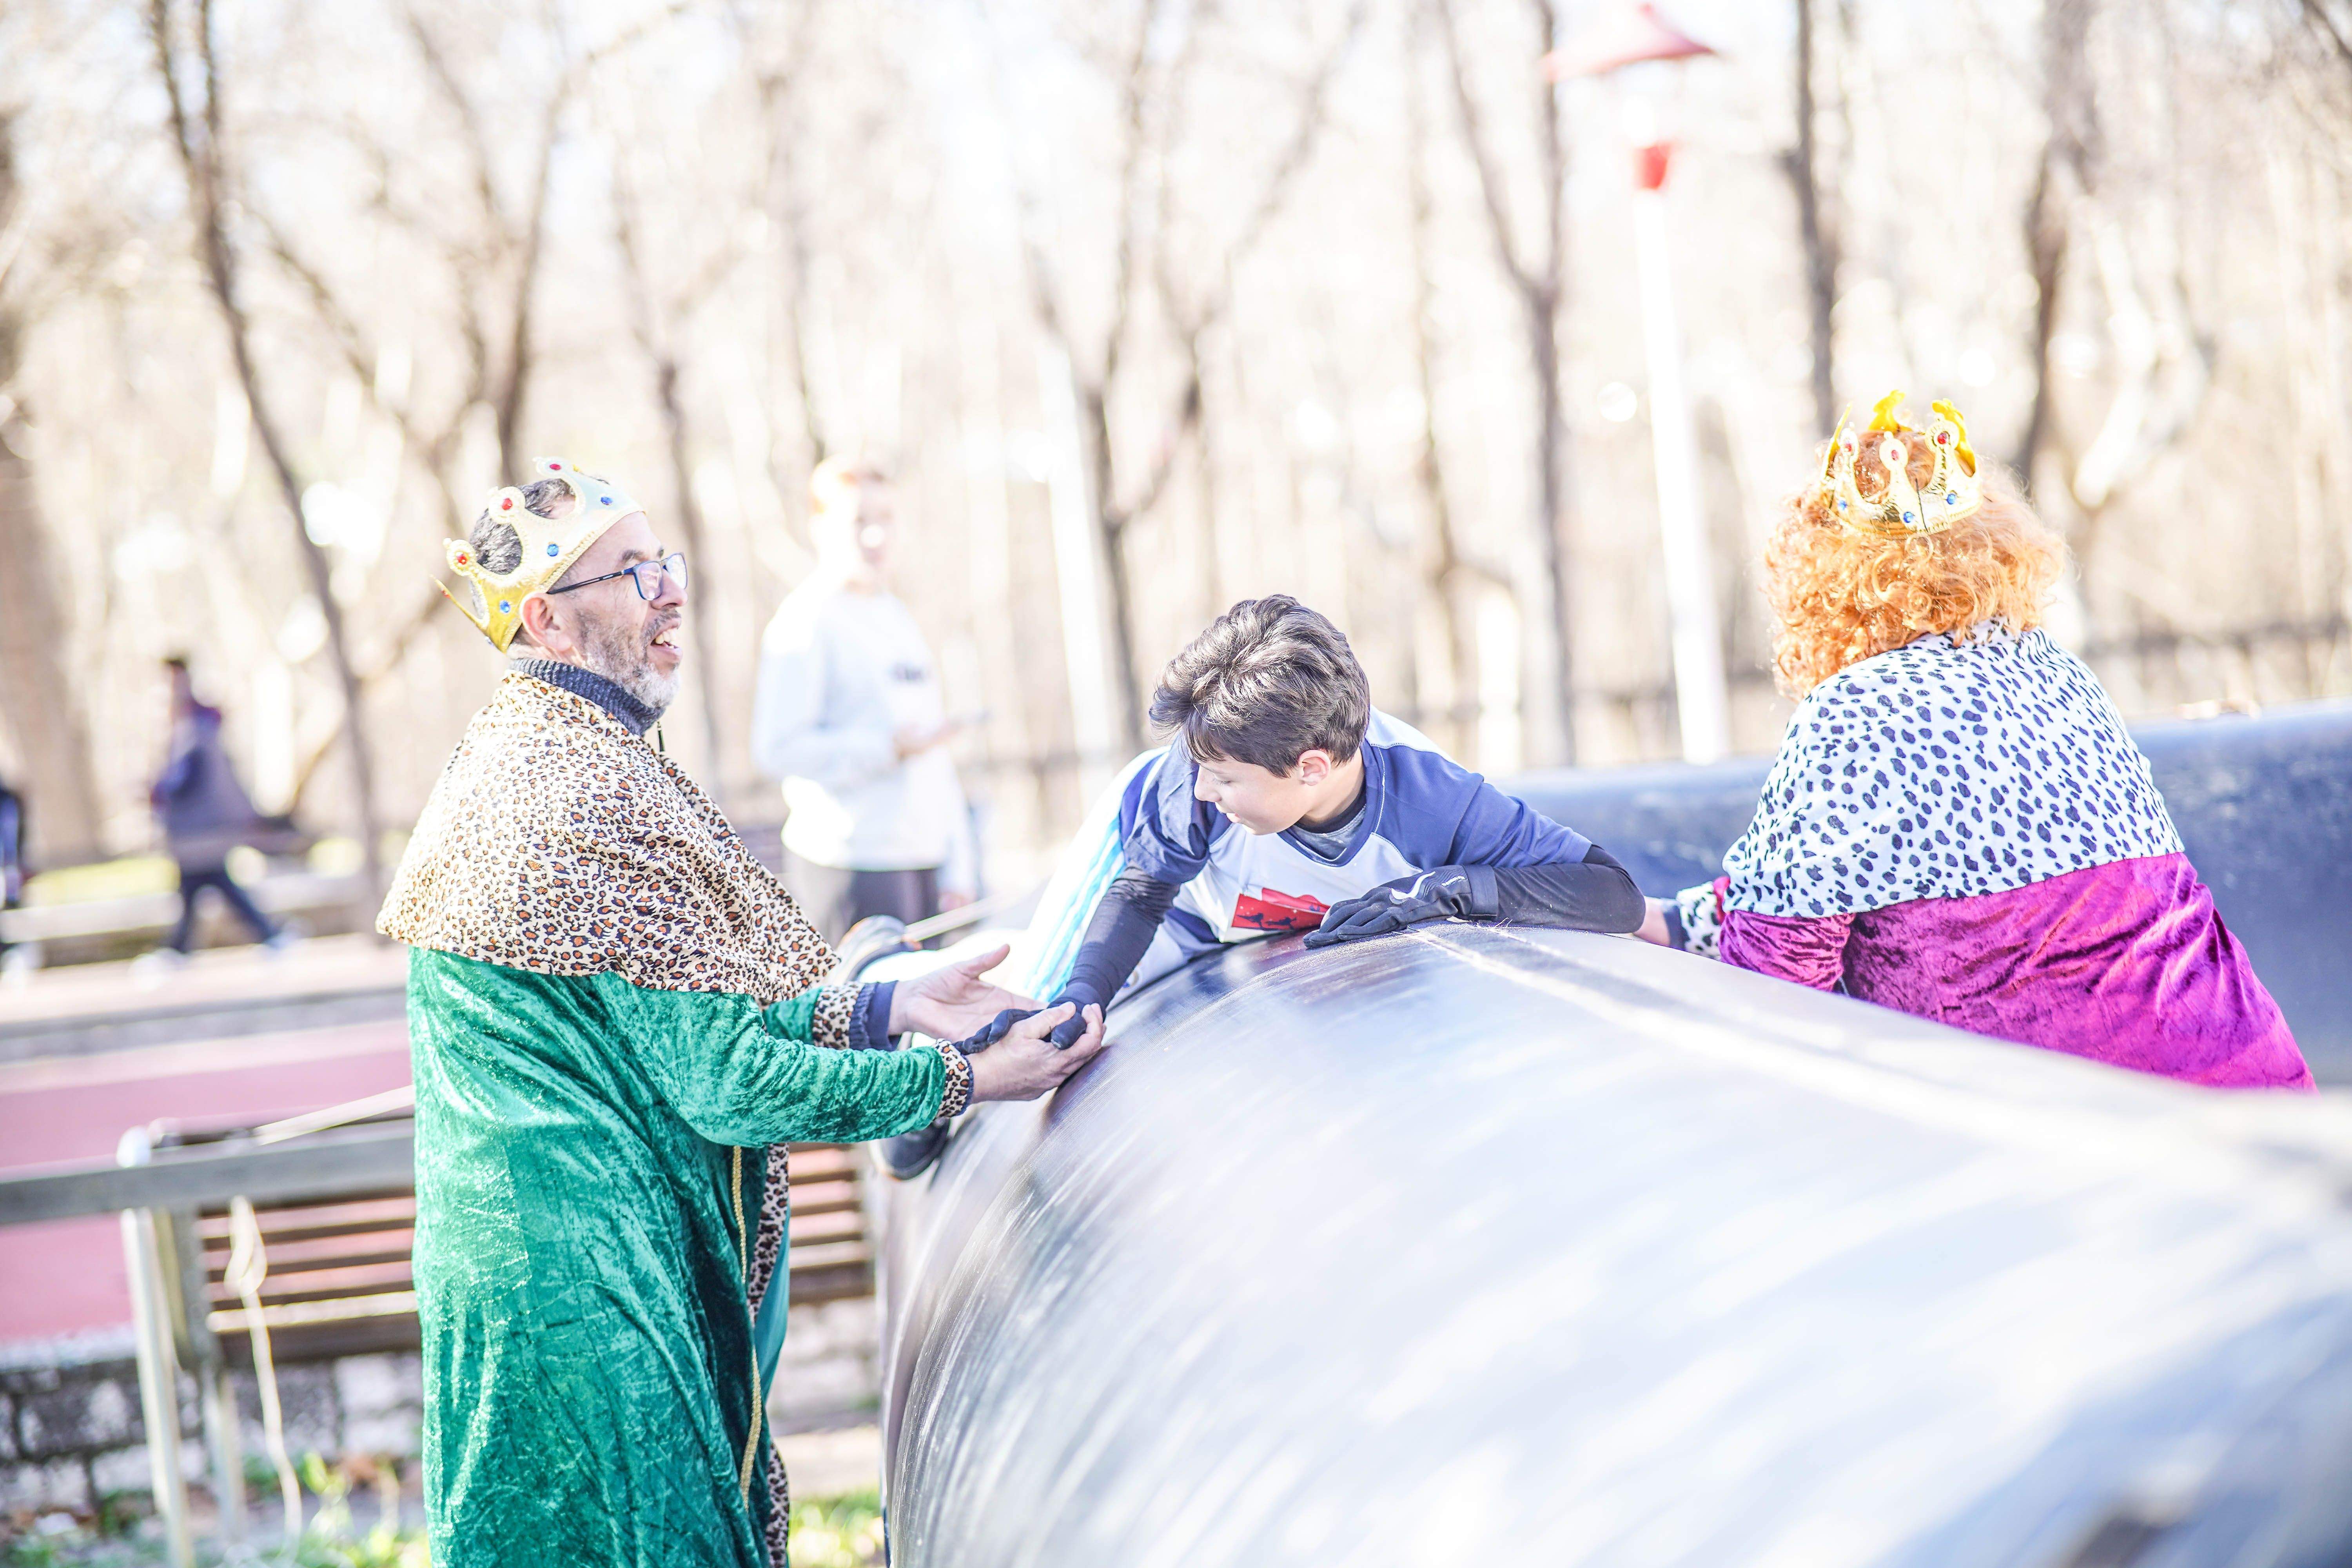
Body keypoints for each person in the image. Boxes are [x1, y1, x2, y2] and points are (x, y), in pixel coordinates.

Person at [381, 457, 1107, 1567]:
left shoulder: (536, 752)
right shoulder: (581, 789)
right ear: (547, 621)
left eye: (662, 563)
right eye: (633, 574)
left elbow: (683, 1015)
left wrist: (892, 1004)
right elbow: (727, 1079)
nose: (671, 592)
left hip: (538, 1272)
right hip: (584, 1293)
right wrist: (962, 1081)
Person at [1644, 392, 2312, 1091]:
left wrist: (1634, 924)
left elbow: (1778, 972)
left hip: (2084, 1140)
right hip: (2254, 1089)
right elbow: (1827, 886)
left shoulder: (1854, 712)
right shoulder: (2054, 670)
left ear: (1819, 581)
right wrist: (1671, 920)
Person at [1046, 596, 1646, 1035]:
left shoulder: (1431, 799)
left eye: (1226, 779)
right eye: (1201, 768)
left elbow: (1615, 895)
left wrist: (1451, 890)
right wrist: (1080, 995)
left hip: (1255, 928)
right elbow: (1142, 893)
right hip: (1172, 904)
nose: (1204, 790)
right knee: (1038, 1015)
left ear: (1311, 767)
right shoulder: (1193, 773)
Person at [750, 457, 977, 942]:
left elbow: (932, 748)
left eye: (886, 519)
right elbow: (776, 749)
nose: (876, 537)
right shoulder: (806, 621)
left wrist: (958, 864)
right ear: (820, 528)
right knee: (875, 1019)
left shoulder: (897, 618)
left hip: (921, 863)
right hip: (851, 865)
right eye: (858, 521)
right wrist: (885, 748)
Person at [147, 656, 285, 960]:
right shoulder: (188, 730)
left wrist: (159, 792)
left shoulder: (195, 732)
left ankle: (181, 948)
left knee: (207, 884)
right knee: (205, 886)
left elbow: (185, 781)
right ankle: (267, 934)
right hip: (195, 830)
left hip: (199, 828)